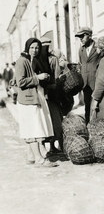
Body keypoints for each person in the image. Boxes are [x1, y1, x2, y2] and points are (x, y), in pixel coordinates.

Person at [15, 37, 57, 167]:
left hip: (35, 97)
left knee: (34, 127)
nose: (34, 50)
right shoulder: (22, 61)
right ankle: (39, 159)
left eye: (37, 48)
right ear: (27, 48)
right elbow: (20, 82)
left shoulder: (32, 61)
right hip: (27, 100)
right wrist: (37, 77)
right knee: (32, 130)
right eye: (32, 47)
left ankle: (31, 156)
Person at [33, 37, 64, 156]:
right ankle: (50, 147)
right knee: (51, 120)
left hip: (47, 94)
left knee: (51, 120)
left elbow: (55, 76)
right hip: (47, 95)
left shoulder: (43, 59)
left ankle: (51, 147)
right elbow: (55, 76)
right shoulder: (47, 59)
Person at [75, 27, 101, 124]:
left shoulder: (97, 48)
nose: (81, 39)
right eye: (79, 37)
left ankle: (97, 125)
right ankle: (87, 126)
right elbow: (81, 64)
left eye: (82, 36)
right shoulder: (81, 50)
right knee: (87, 105)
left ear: (89, 36)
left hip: (96, 81)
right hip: (85, 83)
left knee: (97, 105)